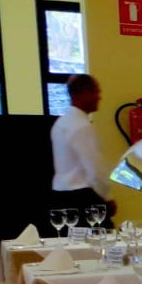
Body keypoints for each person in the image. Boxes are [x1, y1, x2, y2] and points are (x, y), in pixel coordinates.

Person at [51, 74, 116, 224]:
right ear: (84, 93)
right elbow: (94, 169)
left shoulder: (60, 123)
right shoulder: (82, 126)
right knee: (101, 237)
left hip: (60, 195)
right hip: (82, 197)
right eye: (96, 92)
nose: (99, 97)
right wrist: (107, 197)